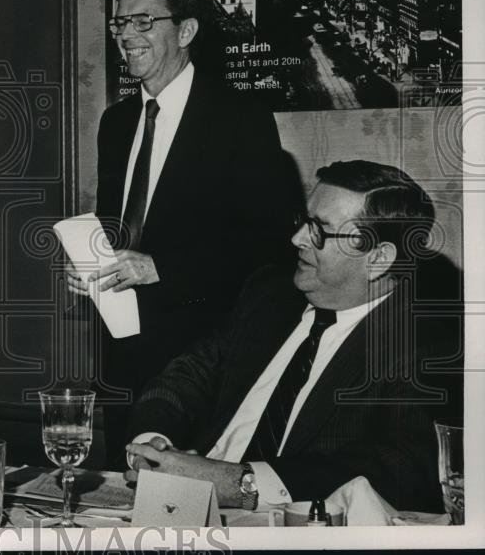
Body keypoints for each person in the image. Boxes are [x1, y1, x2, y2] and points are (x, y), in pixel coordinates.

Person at [125, 160, 462, 512]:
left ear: (378, 259)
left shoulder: (425, 345)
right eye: (304, 221)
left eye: (320, 230)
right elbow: (186, 377)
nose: (297, 239)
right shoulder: (270, 295)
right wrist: (154, 444)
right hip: (183, 507)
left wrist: (239, 483)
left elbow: (398, 469)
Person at [67, 0, 293, 465]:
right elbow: (119, 226)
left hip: (201, 362)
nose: (126, 35)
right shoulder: (117, 122)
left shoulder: (240, 119)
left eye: (143, 22)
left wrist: (159, 268)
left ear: (186, 31)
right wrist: (93, 264)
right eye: (120, 24)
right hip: (119, 357)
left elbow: (268, 244)